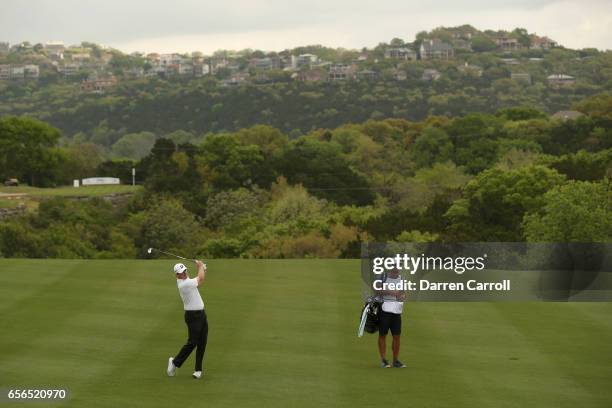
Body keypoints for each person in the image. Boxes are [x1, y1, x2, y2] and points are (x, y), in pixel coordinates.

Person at [166, 260, 208, 379]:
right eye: (181, 273)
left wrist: (202, 269)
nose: (184, 273)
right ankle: (174, 362)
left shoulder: (187, 280)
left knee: (202, 342)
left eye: (184, 271)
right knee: (192, 342)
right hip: (193, 316)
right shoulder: (184, 284)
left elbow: (198, 282)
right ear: (177, 275)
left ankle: (198, 370)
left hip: (201, 315)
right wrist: (200, 266)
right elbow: (200, 279)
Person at [376, 269, 406, 368]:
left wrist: (402, 296)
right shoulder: (382, 277)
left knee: (397, 336)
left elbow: (403, 293)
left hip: (396, 310)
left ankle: (395, 360)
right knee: (383, 334)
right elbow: (377, 290)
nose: (397, 267)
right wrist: (391, 292)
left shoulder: (401, 278)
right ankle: (384, 360)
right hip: (384, 309)